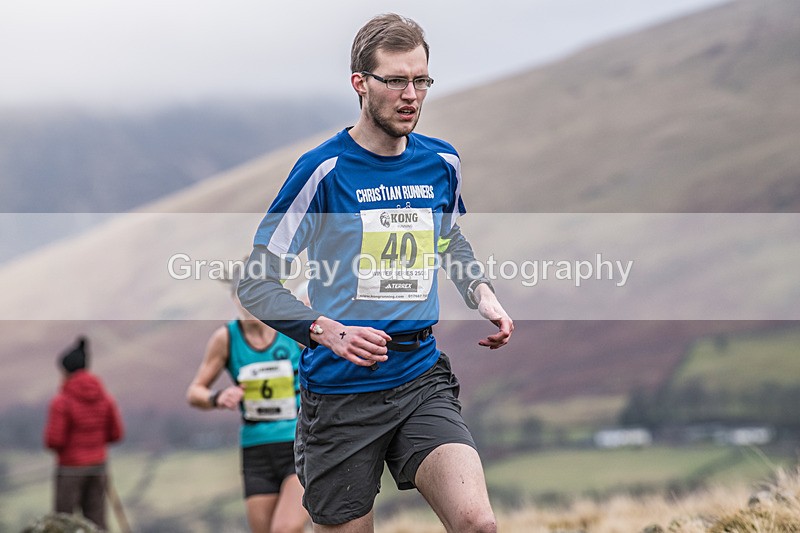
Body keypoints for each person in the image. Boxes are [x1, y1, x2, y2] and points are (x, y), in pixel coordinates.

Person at [238, 13, 513, 533]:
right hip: (340, 397)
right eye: (395, 80)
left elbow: (448, 238)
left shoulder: (442, 162)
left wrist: (480, 292)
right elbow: (256, 282)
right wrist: (326, 331)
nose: (411, 95)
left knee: (479, 524)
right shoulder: (323, 171)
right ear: (360, 83)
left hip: (419, 377)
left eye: (421, 80)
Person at [186, 278, 308, 533]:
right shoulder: (226, 338)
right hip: (257, 450)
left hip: (299, 442)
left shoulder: (290, 328)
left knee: (285, 529)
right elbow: (195, 392)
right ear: (234, 299)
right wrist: (218, 397)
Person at [44, 336, 125, 530]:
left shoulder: (62, 402)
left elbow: (54, 440)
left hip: (70, 469)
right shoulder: (105, 399)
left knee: (62, 522)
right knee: (97, 521)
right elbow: (116, 434)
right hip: (98, 467)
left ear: (66, 371)